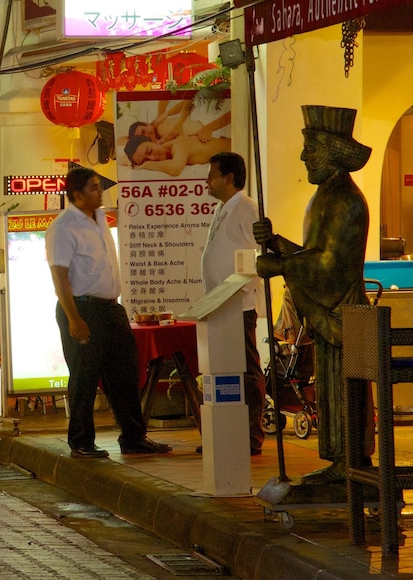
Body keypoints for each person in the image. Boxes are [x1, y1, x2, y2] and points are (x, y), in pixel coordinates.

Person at [253, 105, 375, 485]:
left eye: (311, 150)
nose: (304, 157)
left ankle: (351, 463)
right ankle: (342, 461)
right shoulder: (326, 195)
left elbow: (330, 266)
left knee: (347, 390)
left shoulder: (344, 199)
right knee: (334, 389)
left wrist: (281, 265)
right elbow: (315, 253)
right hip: (333, 313)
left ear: (332, 153)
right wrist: (277, 244)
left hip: (344, 310)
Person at [46, 166, 172, 458]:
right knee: (84, 376)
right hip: (82, 308)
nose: (100, 191)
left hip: (111, 309)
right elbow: (59, 277)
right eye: (93, 187)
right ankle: (80, 441)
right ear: (77, 195)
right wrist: (74, 318)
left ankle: (133, 436)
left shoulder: (100, 217)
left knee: (125, 374)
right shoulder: (63, 227)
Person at [199, 152, 266, 456]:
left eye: (212, 174)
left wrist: (236, 290)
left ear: (229, 178)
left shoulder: (247, 208)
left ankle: (251, 436)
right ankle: (229, 434)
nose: (207, 181)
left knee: (247, 372)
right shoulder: (226, 207)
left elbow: (258, 258)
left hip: (238, 306)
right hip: (221, 307)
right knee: (227, 373)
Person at [123, 134, 232, 176]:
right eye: (145, 160)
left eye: (149, 151)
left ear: (153, 140)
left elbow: (175, 169)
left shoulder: (178, 145)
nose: (153, 158)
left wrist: (147, 165)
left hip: (240, 148)